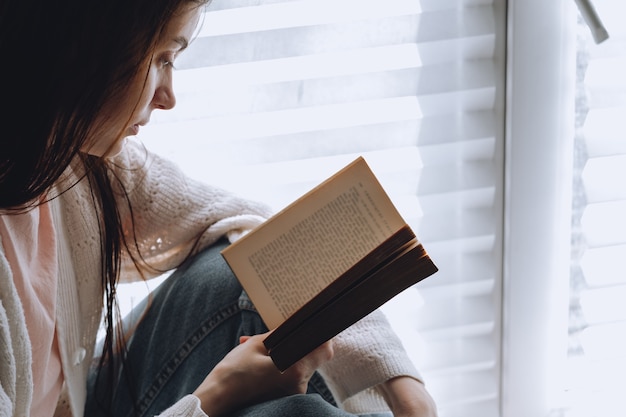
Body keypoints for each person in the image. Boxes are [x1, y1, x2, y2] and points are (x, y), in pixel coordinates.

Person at [0, 0, 438, 416]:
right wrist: (217, 393)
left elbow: (255, 229)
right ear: (84, 47)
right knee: (292, 412)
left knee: (243, 276)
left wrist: (405, 388)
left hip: (85, 401)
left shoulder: (71, 161)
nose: (168, 96)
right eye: (161, 59)